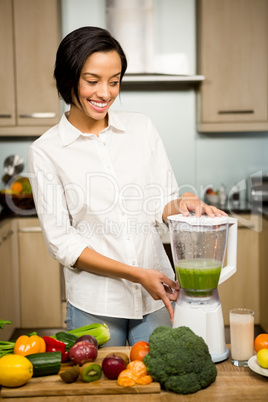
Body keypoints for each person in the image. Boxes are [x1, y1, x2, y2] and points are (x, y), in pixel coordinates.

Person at [28, 26, 227, 346]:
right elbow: (63, 244)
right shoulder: (46, 151)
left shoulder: (141, 128)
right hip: (95, 305)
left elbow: (162, 200)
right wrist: (137, 275)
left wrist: (183, 202)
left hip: (155, 298)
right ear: (69, 79)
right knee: (100, 393)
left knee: (157, 387)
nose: (105, 93)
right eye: (92, 81)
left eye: (115, 80)